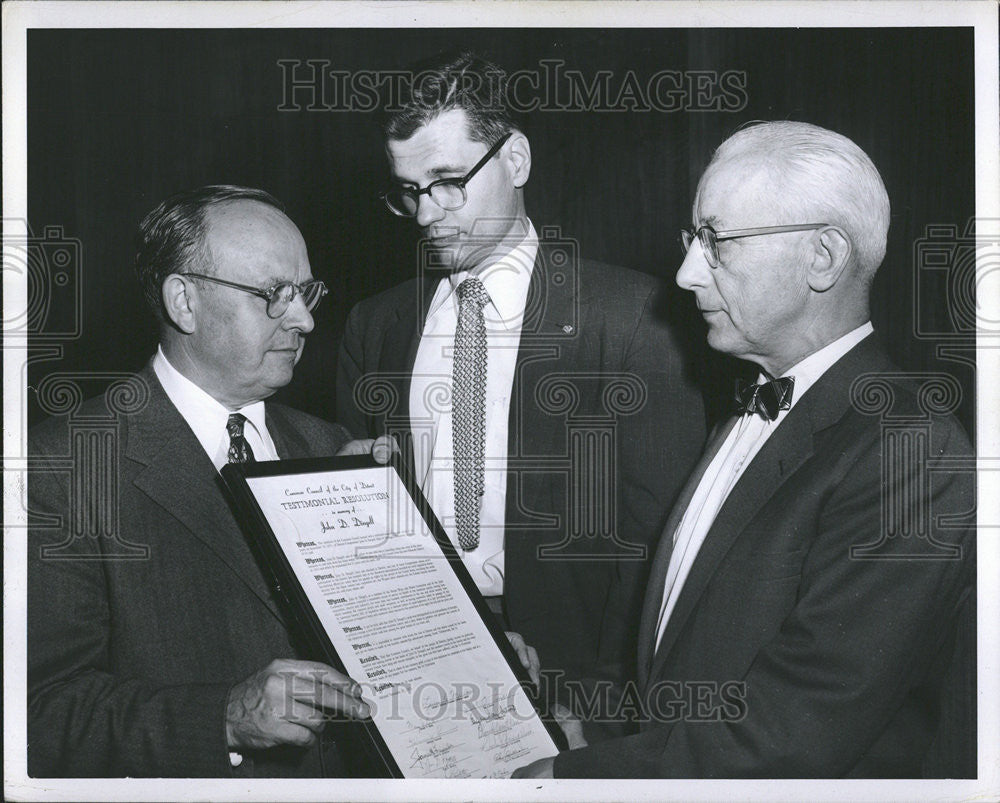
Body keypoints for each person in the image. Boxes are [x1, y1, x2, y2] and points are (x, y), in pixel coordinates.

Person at [513, 121, 976, 778]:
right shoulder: (748, 400)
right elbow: (682, 652)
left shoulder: (912, 450)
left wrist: (576, 780)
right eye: (690, 238)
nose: (684, 272)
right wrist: (587, 726)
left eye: (716, 241)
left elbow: (795, 732)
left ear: (824, 256)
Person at [336, 53, 706, 680]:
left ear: (516, 160)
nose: (427, 215)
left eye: (449, 181)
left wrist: (601, 707)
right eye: (409, 192)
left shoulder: (635, 317)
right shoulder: (374, 327)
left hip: (576, 668)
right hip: (409, 646)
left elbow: (659, 546)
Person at [27, 185, 383, 777]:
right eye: (275, 294)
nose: (305, 319)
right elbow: (37, 712)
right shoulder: (64, 464)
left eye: (306, 292)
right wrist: (220, 717)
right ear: (183, 301)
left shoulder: (329, 447)